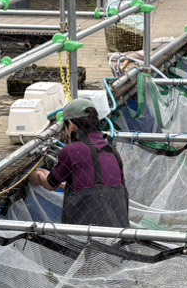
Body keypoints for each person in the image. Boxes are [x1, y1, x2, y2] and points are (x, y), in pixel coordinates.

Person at [29, 97, 130, 227]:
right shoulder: (112, 151)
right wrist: (62, 184)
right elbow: (93, 186)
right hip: (118, 231)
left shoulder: (72, 151)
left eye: (65, 128)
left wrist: (37, 175)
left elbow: (50, 184)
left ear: (71, 125)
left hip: (85, 232)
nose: (66, 132)